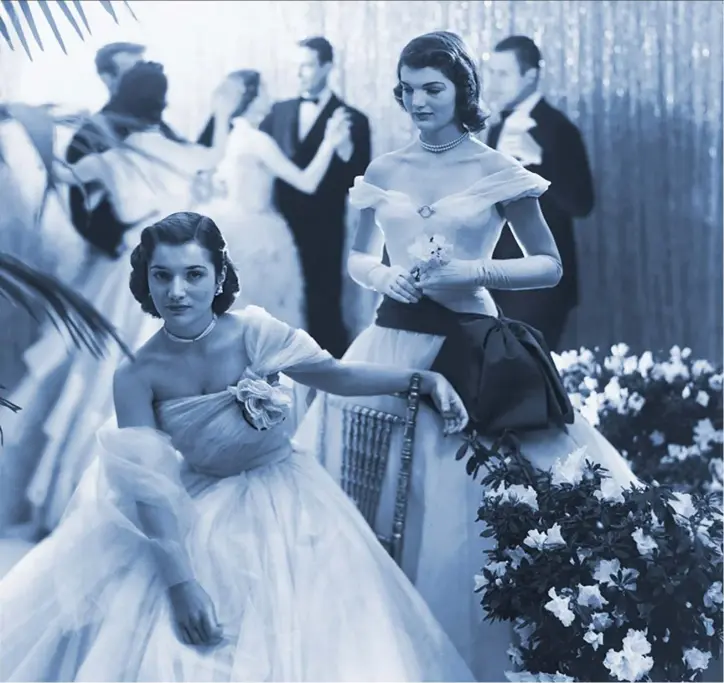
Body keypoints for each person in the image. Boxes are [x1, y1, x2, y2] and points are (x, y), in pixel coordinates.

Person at [294, 31, 640, 681]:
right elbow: (359, 255)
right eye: (408, 89)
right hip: (389, 341)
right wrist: (381, 276)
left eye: (433, 89)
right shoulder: (387, 169)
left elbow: (548, 264)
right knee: (368, 497)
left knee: (459, 516)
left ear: (462, 92)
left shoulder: (496, 170)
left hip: (470, 347)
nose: (418, 102)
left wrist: (472, 267)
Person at [0, 211, 474, 682]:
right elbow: (149, 488)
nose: (176, 291)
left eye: (193, 274)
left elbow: (337, 375)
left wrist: (422, 378)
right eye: (161, 276)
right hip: (199, 506)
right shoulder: (136, 375)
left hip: (294, 500)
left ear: (219, 275)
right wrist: (181, 584)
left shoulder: (256, 333)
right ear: (145, 280)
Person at [0, 62, 242, 537]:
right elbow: (214, 155)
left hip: (131, 273)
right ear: (163, 103)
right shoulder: (183, 151)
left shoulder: (109, 159)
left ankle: (93, 504)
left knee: (107, 384)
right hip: (186, 279)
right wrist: (223, 108)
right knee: (186, 379)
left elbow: (64, 175)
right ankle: (185, 498)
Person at [195, 70, 351, 331]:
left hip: (230, 231)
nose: (270, 96)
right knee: (269, 319)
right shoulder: (256, 141)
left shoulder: (228, 139)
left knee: (239, 316)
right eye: (265, 90)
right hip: (260, 237)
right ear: (251, 98)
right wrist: (329, 142)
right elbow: (307, 183)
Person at [257, 36, 372, 359]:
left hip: (324, 230)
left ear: (327, 67)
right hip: (276, 230)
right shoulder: (277, 112)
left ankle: (329, 379)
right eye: (296, 67)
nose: (299, 74)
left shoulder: (354, 119)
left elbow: (361, 179)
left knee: (323, 304)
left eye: (306, 65)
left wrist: (347, 151)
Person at [484, 35, 595, 351]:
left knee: (529, 379)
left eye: (503, 74)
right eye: (491, 73)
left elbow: (582, 204)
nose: (493, 82)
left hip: (539, 282)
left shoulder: (559, 129)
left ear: (530, 76)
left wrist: (540, 163)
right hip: (496, 277)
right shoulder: (495, 127)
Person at [65, 42, 182, 259]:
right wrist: (117, 243)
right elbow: (81, 208)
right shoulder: (90, 135)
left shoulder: (162, 129)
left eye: (142, 67)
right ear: (107, 79)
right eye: (131, 70)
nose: (142, 75)